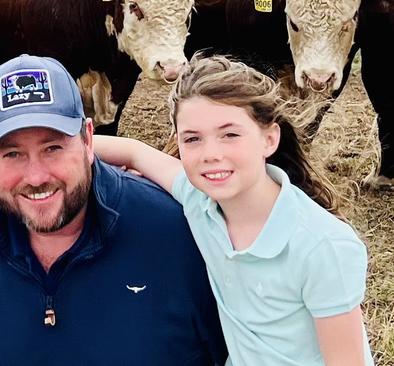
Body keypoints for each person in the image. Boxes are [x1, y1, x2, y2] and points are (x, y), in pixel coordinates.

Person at [0, 54, 228, 365]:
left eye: (53, 148)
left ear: (88, 139)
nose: (36, 177)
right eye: (12, 154)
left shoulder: (176, 232)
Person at [94, 54, 373, 366]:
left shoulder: (323, 246)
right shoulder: (200, 200)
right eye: (192, 139)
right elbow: (134, 151)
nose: (211, 154)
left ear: (269, 139)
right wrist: (60, 147)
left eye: (230, 134)